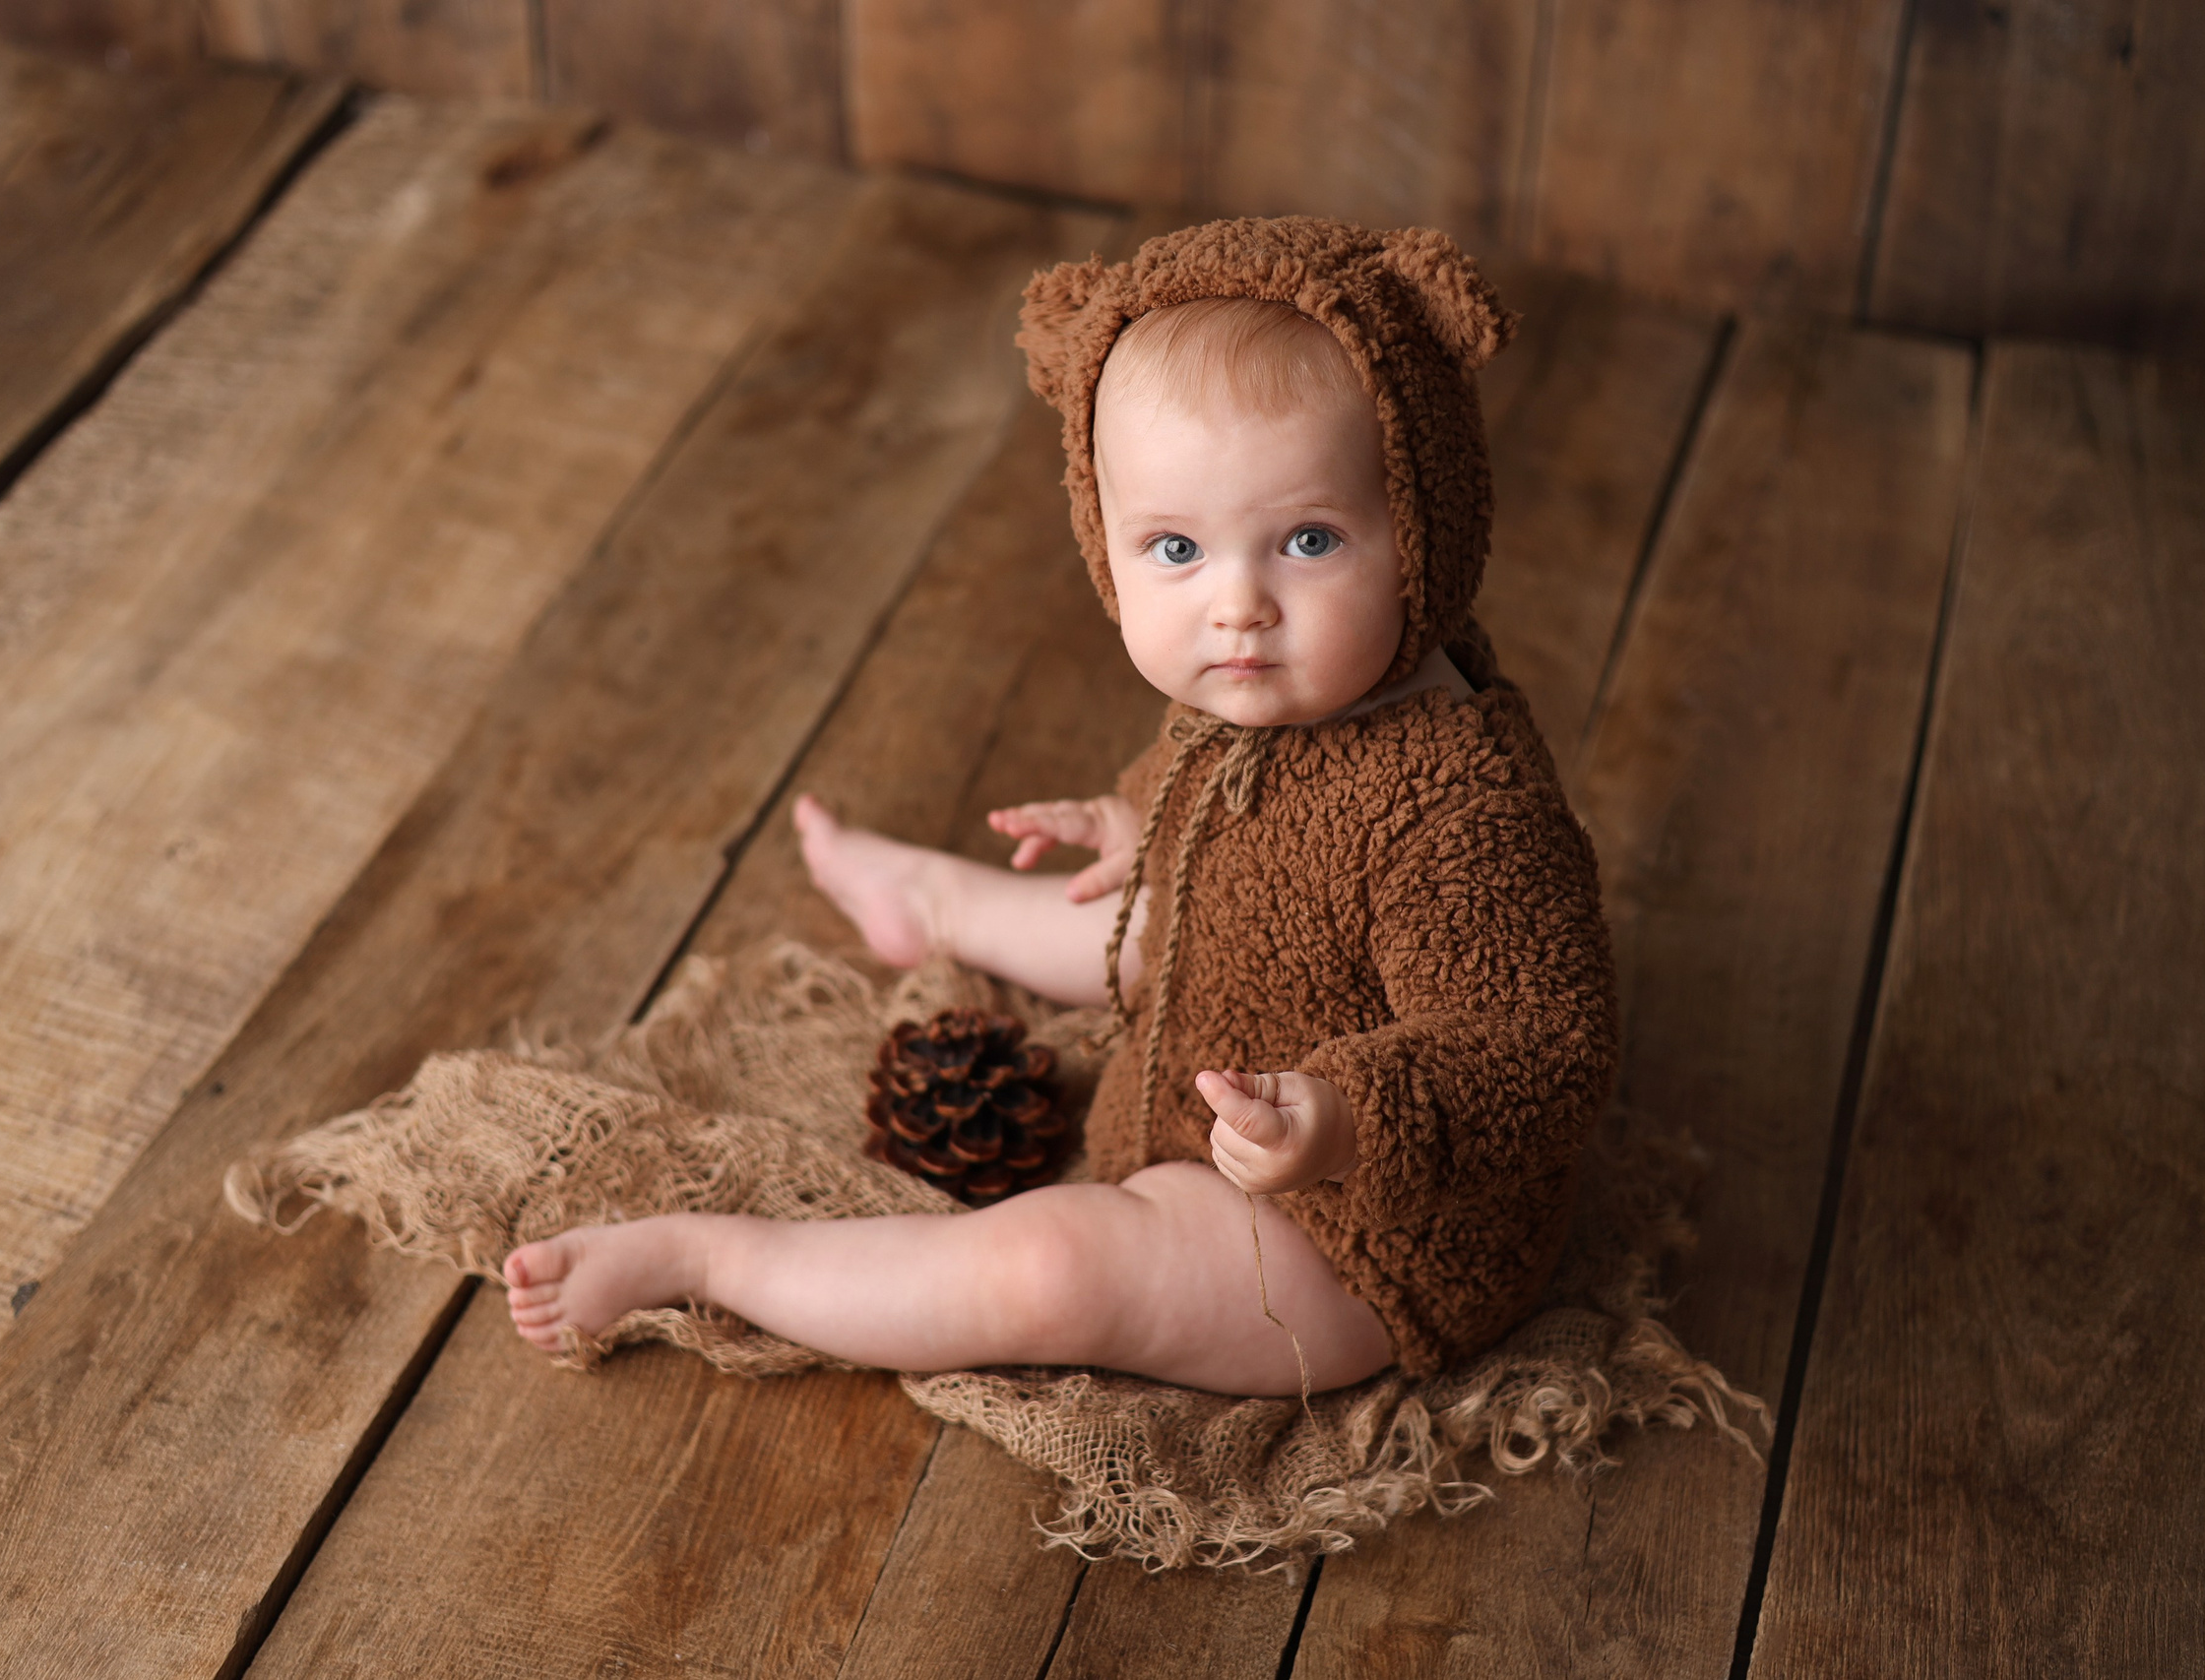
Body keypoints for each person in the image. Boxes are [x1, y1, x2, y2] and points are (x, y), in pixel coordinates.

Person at [501, 218, 1617, 1397]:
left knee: (1051, 1267)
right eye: (1176, 547)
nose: (1238, 606)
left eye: (1306, 539)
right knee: (1121, 918)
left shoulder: (1462, 812)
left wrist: (1347, 1119)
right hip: (1227, 1033)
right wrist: (1136, 821)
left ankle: (710, 1254)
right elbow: (1250, 841)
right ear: (1105, 536)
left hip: (1349, 1236)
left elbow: (1539, 1048)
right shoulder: (1271, 691)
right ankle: (932, 900)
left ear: (1422, 529)